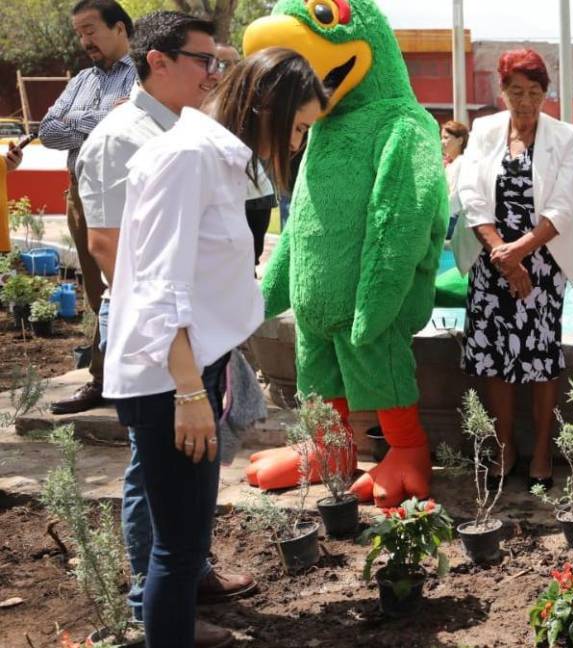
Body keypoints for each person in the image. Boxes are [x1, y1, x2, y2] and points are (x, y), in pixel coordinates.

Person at [102, 47, 325, 646]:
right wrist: (188, 391)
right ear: (271, 110)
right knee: (177, 549)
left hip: (192, 368)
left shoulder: (218, 160)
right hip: (168, 378)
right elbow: (161, 285)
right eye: (299, 127)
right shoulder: (188, 158)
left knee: (186, 540)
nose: (300, 143)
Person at [76, 12, 254, 643]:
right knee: (148, 472)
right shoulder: (120, 138)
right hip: (150, 326)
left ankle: (179, 584)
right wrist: (175, 349)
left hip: (187, 326)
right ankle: (149, 600)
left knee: (189, 476)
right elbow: (109, 246)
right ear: (159, 60)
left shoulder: (186, 131)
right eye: (204, 61)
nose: (214, 74)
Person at [452, 48, 573, 489]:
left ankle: (543, 450)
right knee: (494, 359)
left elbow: (564, 206)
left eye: (533, 92)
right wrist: (502, 255)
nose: (524, 102)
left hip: (542, 265)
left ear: (546, 93)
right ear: (502, 91)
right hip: (492, 262)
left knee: (542, 359)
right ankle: (504, 445)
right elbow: (471, 194)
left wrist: (521, 253)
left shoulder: (564, 137)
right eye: (515, 92)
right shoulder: (484, 130)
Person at [40, 0, 137, 415]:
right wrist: (102, 117)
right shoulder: (81, 79)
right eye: (79, 33)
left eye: (91, 30)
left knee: (133, 286)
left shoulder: (146, 74)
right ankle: (105, 379)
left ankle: (130, 380)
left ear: (119, 28)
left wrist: (78, 123)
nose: (85, 41)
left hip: (128, 192)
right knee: (98, 292)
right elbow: (47, 130)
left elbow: (138, 123)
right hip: (81, 191)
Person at [217, 42, 277, 264]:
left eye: (236, 62)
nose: (232, 68)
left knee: (249, 261)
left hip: (256, 195)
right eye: (223, 63)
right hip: (222, 196)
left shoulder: (252, 97)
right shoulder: (196, 100)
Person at [442, 119, 469, 239]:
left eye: (446, 137)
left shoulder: (461, 163)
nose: (442, 141)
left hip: (452, 219)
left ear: (459, 140)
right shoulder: (452, 164)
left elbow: (454, 195)